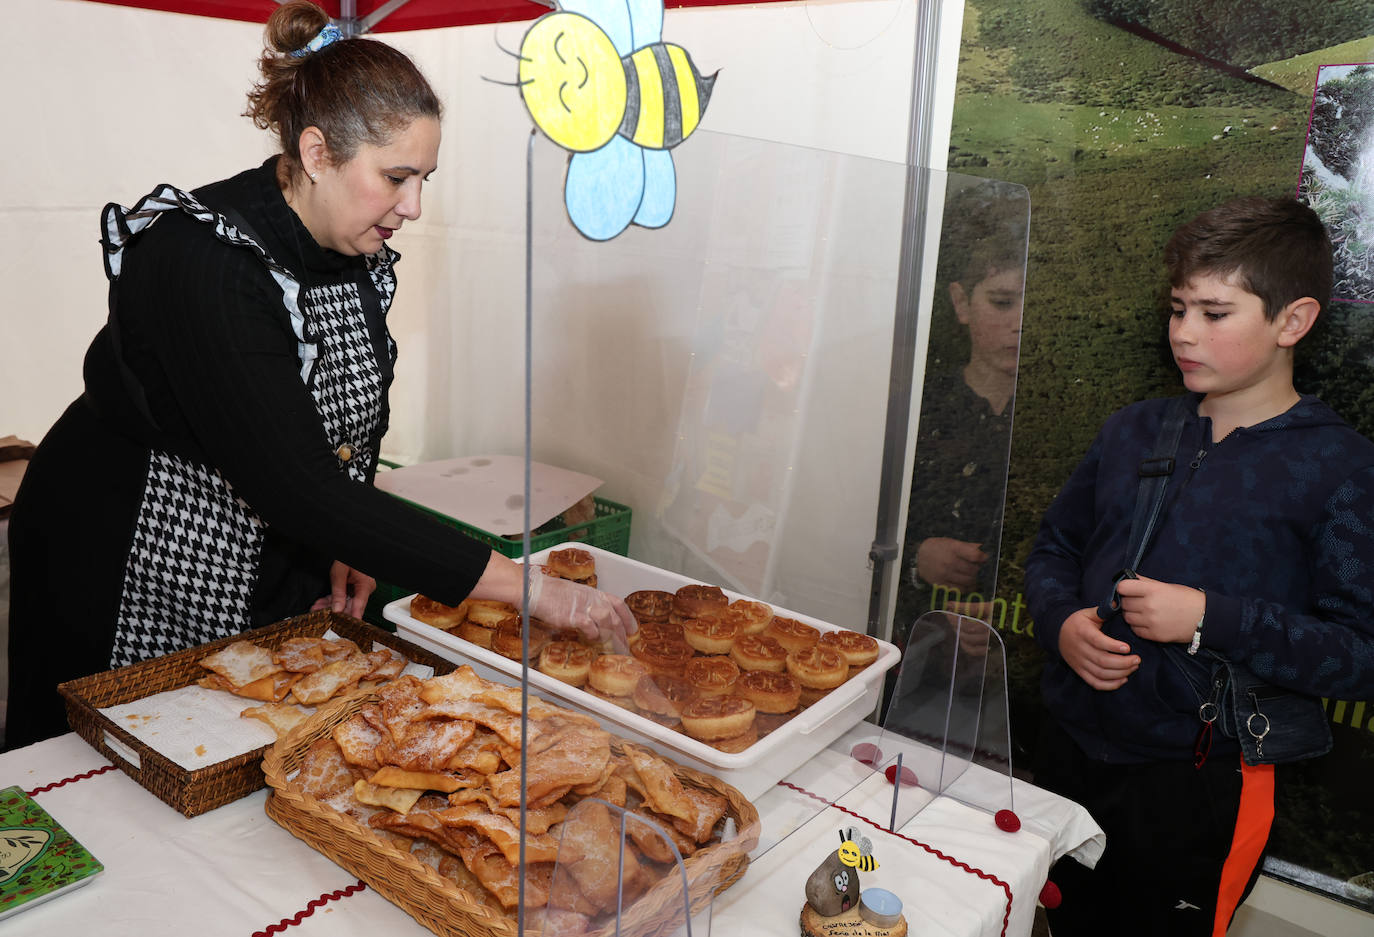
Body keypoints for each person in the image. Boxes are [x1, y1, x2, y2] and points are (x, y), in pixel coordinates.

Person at [5, 1, 634, 751]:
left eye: (424, 178)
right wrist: (530, 586)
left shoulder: (344, 245)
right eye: (397, 177)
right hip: (129, 546)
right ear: (315, 151)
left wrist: (351, 534)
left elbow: (329, 440)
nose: (415, 205)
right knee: (113, 766)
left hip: (261, 539)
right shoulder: (205, 262)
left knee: (234, 747)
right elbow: (298, 484)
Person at [1024, 195, 1374, 936]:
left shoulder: (1340, 468)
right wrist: (1061, 626)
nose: (1183, 331)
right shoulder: (1134, 428)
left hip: (1198, 783)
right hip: (1068, 750)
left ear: (1293, 321)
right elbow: (1055, 547)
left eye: (1214, 313)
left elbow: (1359, 654)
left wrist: (1212, 617)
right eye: (1178, 307)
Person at [894, 178, 1028, 650]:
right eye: (1002, 301)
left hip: (1022, 647)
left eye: (1033, 303)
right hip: (909, 641)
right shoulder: (915, 407)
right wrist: (915, 557)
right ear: (960, 303)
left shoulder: (1051, 420)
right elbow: (848, 516)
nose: (1019, 321)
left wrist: (1018, 601)